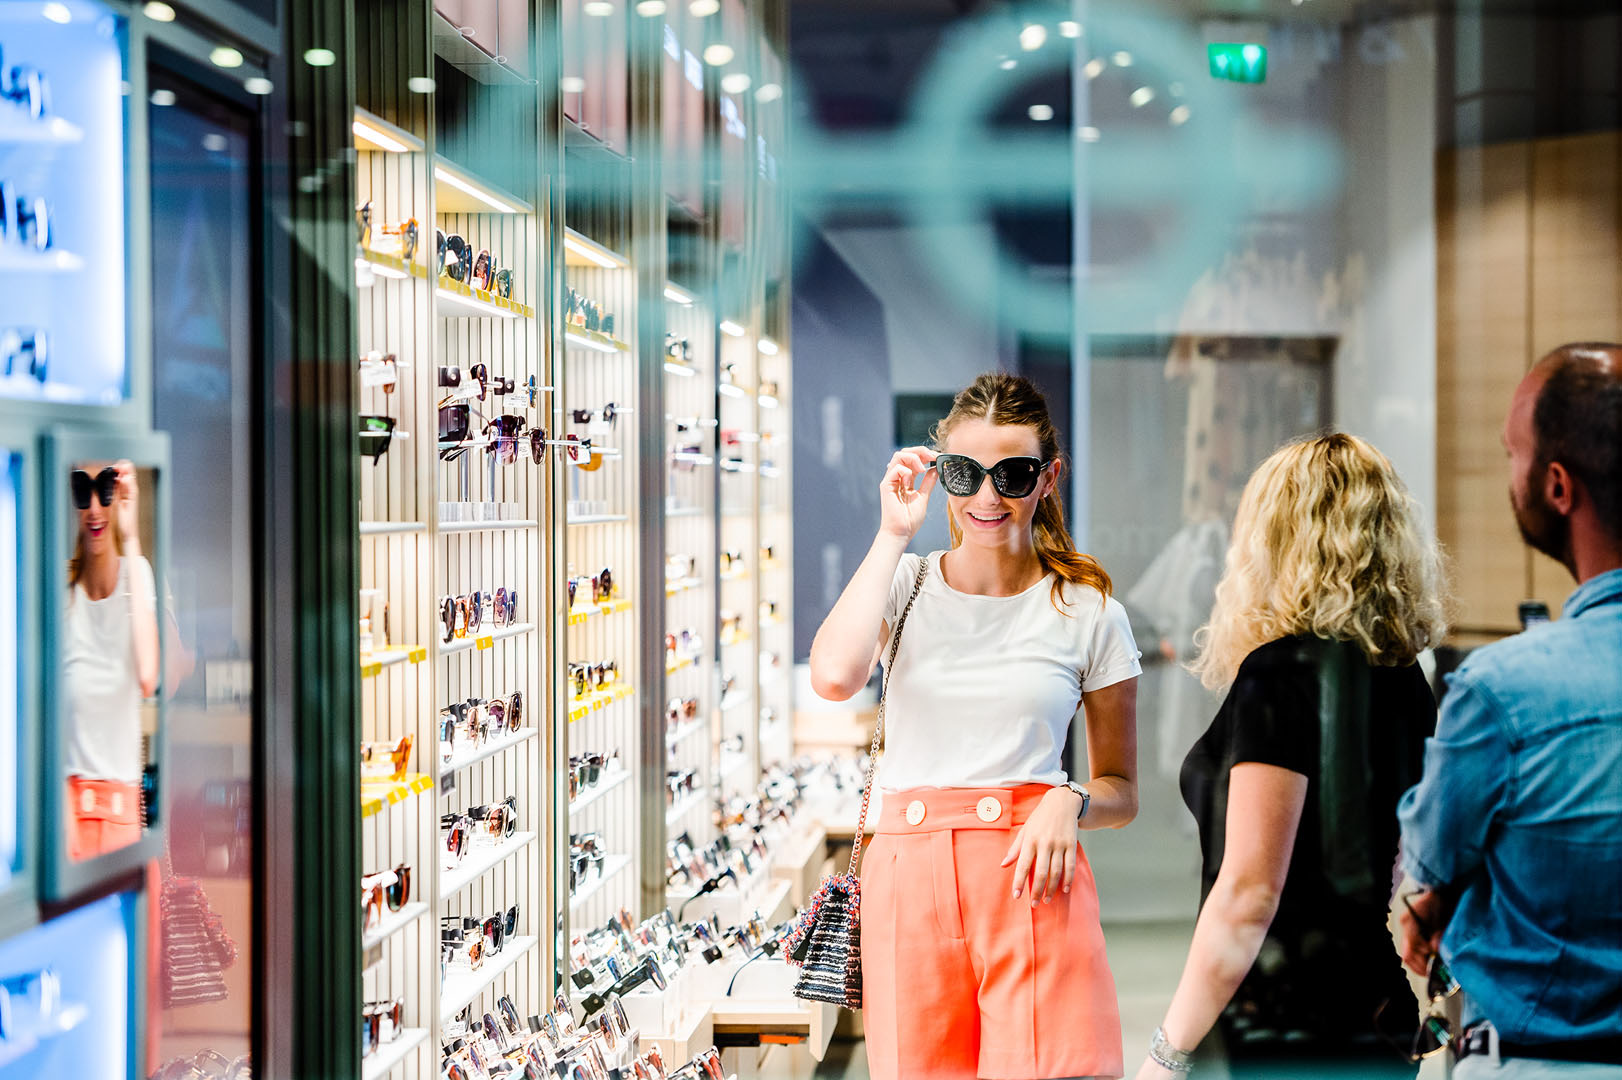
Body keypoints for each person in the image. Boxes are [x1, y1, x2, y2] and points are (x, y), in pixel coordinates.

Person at [810, 373, 1141, 1080]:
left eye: (1013, 474)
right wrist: (892, 533)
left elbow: (1122, 789)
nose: (987, 498)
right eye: (965, 473)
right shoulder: (904, 585)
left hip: (1032, 876)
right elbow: (834, 677)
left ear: (1048, 478)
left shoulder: (1088, 612)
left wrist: (1070, 796)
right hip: (906, 879)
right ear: (940, 474)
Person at [1133, 433, 1449, 1080]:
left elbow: (1250, 894)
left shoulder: (1279, 675)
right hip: (1372, 1004)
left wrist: (1167, 1053)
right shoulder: (1402, 676)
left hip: (1290, 1021)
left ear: (1276, 537)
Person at [1397, 343, 1622, 1077]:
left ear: (1557, 485)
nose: (1509, 473)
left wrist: (1434, 899)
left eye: (1511, 454)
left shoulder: (1504, 693)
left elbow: (1431, 856)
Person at [62, 458, 158, 861]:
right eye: (82, 491)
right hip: (66, 815)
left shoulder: (137, 575)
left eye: (105, 489)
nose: (94, 509)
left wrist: (131, 536)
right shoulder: (61, 594)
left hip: (120, 816)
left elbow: (147, 675)